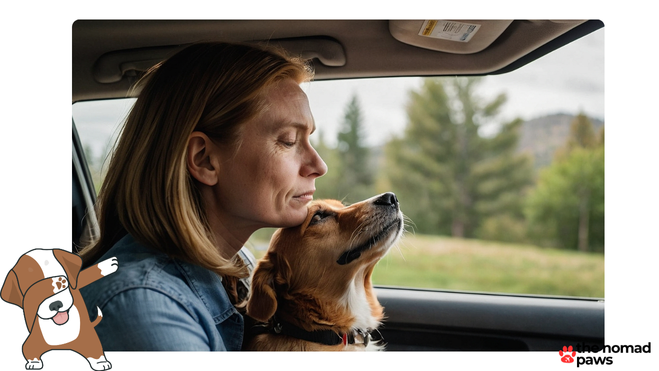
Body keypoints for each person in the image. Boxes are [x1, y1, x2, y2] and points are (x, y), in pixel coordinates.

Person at [79, 42, 328, 351]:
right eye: (288, 140)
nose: (319, 166)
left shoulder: (236, 269)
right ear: (204, 159)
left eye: (308, 138)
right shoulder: (144, 306)